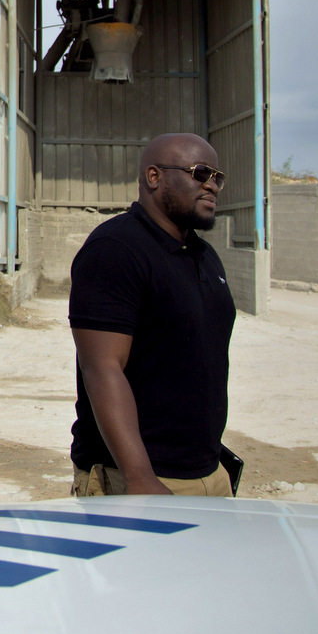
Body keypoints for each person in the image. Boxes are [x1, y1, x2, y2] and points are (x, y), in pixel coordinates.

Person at [68, 132, 237, 497]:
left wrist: (213, 469)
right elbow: (102, 367)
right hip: (139, 482)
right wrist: (140, 477)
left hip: (209, 474)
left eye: (217, 178)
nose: (212, 186)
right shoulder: (115, 249)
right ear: (154, 177)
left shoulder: (203, 256)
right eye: (200, 173)